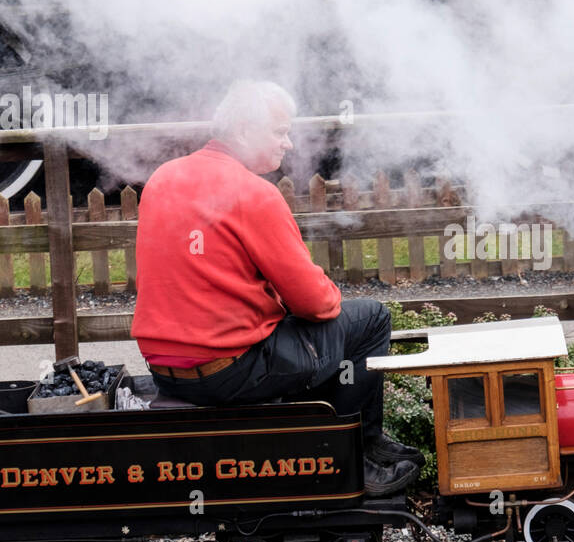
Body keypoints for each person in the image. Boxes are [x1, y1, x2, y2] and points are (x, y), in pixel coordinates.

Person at [131, 80, 421, 496]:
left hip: (164, 369)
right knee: (370, 318)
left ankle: (311, 444)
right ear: (246, 130)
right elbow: (316, 304)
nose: (288, 143)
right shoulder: (254, 193)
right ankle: (357, 454)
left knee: (301, 333)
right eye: (280, 132)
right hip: (229, 372)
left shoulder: (163, 179)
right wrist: (308, 294)